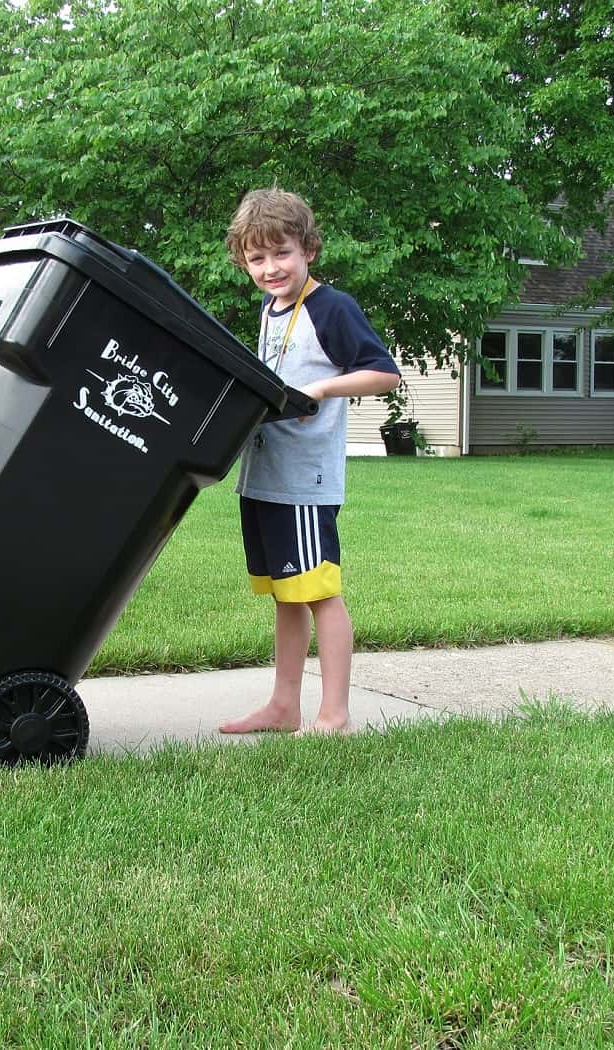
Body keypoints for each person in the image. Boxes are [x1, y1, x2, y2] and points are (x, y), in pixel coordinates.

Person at [219, 188, 400, 736]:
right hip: (264, 477)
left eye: (282, 253)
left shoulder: (332, 308)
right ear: (243, 261)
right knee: (286, 594)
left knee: (319, 593)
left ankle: (335, 714)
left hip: (304, 481)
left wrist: (322, 389)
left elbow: (384, 373)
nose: (271, 268)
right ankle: (283, 706)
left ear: (309, 250)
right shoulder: (269, 309)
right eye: (257, 258)